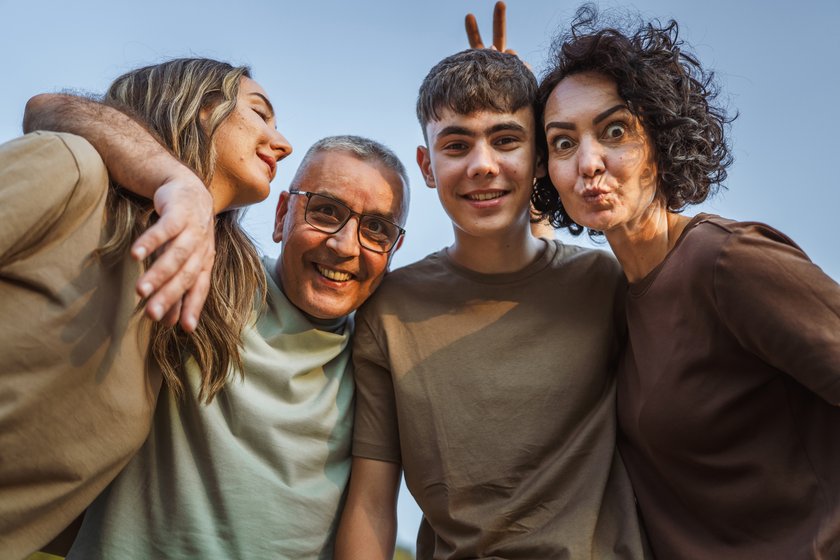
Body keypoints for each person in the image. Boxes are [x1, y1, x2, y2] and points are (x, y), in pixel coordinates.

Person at [533, 6, 840, 558]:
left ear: (660, 137)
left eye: (615, 130)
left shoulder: (728, 262)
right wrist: (506, 127)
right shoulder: (615, 300)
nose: (589, 162)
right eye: (562, 142)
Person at [336, 48, 648, 559]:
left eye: (506, 141)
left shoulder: (604, 283)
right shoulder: (388, 309)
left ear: (540, 158)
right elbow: (371, 502)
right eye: (456, 145)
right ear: (427, 165)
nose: (483, 166)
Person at [60, 135, 409, 559]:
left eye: (376, 229)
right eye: (325, 211)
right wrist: (178, 181)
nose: (344, 244)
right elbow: (49, 109)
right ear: (282, 216)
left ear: (393, 251)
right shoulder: (211, 279)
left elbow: (373, 509)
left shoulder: (378, 360)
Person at [1, 58, 291, 560]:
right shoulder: (75, 174)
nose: (283, 142)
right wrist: (181, 184)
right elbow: (45, 107)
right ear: (199, 108)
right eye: (260, 113)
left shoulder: (196, 309)